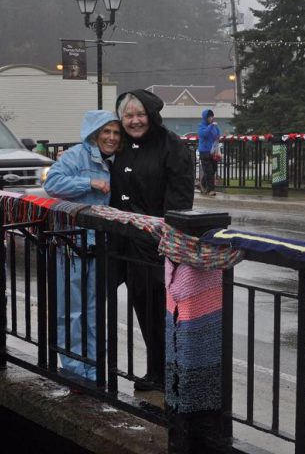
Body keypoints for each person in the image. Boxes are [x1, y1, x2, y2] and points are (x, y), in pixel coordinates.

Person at [111, 89, 194, 391]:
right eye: (128, 116)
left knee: (164, 311)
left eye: (139, 114)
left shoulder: (170, 145)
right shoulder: (120, 144)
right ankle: (155, 370)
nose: (134, 121)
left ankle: (170, 373)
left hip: (158, 244)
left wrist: (169, 237)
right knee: (143, 307)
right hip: (128, 243)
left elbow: (181, 197)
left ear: (151, 114)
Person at [43, 110, 121, 380]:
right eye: (106, 131)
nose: (111, 138)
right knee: (71, 310)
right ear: (95, 133)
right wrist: (88, 182)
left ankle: (94, 367)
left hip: (99, 245)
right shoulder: (77, 156)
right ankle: (75, 368)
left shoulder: (117, 161)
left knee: (94, 309)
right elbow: (51, 184)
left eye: (116, 133)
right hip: (72, 244)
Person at [197, 109, 221, 196]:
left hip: (212, 151)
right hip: (204, 151)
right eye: (209, 117)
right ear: (205, 118)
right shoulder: (201, 126)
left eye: (212, 116)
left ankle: (202, 184)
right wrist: (211, 126)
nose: (211, 118)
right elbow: (204, 134)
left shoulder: (214, 126)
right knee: (208, 170)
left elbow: (217, 134)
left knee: (213, 169)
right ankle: (210, 190)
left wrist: (218, 134)